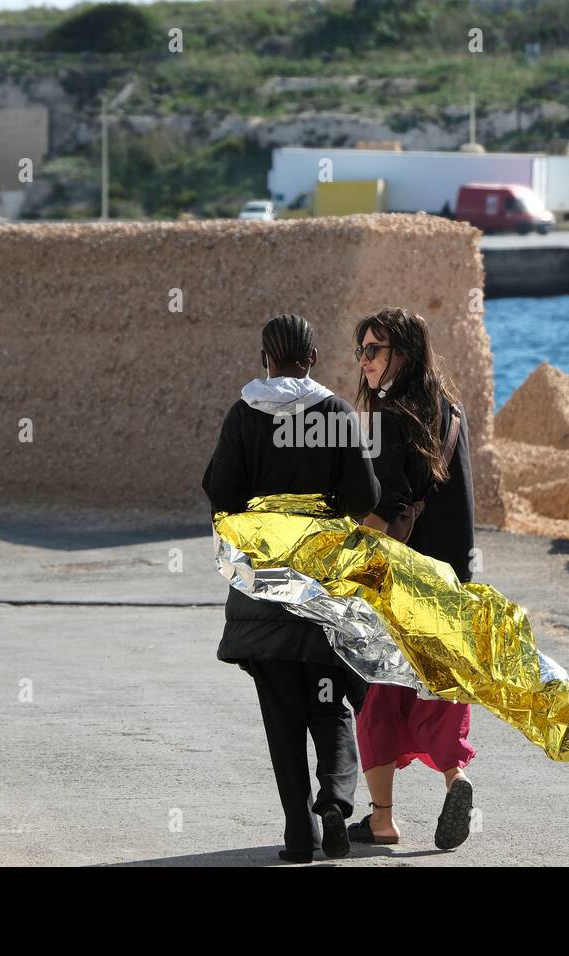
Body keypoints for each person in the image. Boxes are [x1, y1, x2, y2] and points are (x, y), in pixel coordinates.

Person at [202, 313, 380, 864]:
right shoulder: (335, 413)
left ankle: (299, 836)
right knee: (331, 703)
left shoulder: (242, 415)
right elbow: (364, 496)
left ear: (264, 359)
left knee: (281, 712)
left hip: (264, 587)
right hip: (322, 585)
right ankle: (335, 801)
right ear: (313, 356)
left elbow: (221, 493)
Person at [347, 306, 478, 851]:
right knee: (441, 691)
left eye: (374, 350)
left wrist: (348, 551)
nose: (365, 361)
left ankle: (382, 819)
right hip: (451, 580)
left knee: (378, 694)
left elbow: (395, 503)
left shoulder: (385, 417)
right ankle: (457, 779)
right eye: (361, 350)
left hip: (401, 583)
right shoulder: (452, 412)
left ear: (403, 354)